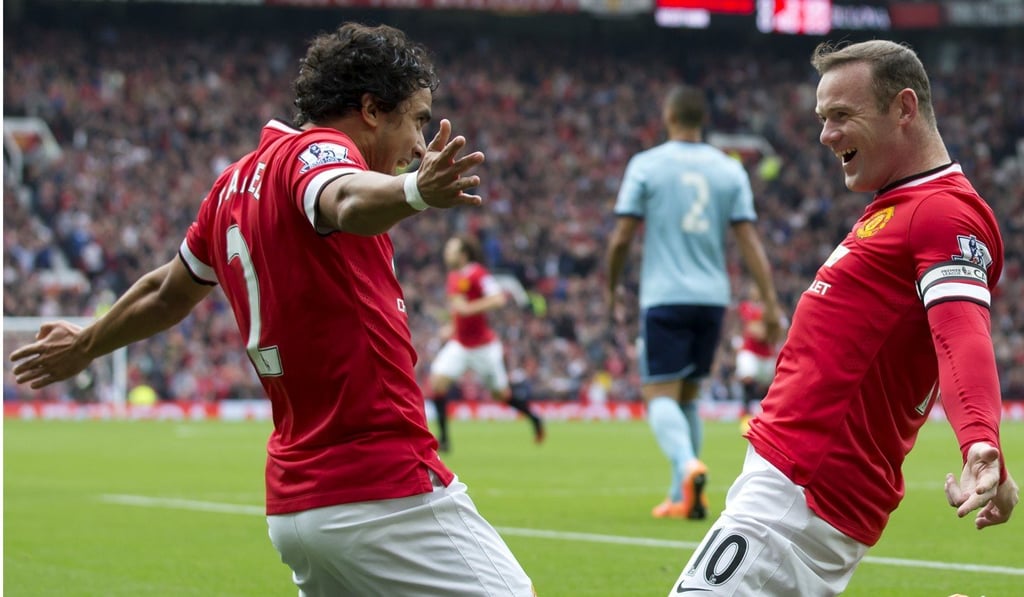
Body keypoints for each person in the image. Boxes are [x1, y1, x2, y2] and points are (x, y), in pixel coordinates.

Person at [10, 22, 535, 597]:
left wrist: (85, 346)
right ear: (370, 110)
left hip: (297, 504)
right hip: (382, 490)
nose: (419, 143)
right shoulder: (318, 153)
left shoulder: (231, 185)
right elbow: (344, 199)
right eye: (416, 119)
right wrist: (414, 192)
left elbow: (167, 292)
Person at [670, 40, 1019, 596]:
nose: (825, 135)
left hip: (803, 487)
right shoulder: (901, 208)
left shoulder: (940, 212)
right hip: (799, 481)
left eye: (841, 115)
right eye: (821, 118)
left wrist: (980, 441)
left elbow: (961, 331)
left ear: (904, 108)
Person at [605, 84, 783, 521]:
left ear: (668, 117)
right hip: (711, 298)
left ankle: (687, 467)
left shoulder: (646, 165)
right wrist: (771, 301)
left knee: (658, 395)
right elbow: (748, 241)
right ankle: (683, 495)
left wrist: (611, 287)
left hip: (665, 295)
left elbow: (623, 237)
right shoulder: (729, 170)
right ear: (702, 121)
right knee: (687, 396)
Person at [429, 234, 544, 453]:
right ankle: (444, 440)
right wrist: (453, 326)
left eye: (451, 249)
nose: (447, 253)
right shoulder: (454, 276)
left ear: (463, 255)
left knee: (502, 395)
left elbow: (498, 298)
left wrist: (467, 309)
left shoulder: (477, 273)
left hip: (483, 347)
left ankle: (534, 417)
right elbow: (458, 311)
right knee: (437, 383)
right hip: (460, 344)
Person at [733, 284, 781, 435]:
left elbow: (775, 332)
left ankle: (767, 418)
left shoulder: (773, 310)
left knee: (769, 388)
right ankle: (745, 417)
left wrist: (764, 332)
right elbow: (749, 329)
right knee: (747, 377)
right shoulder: (746, 307)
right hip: (750, 351)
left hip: (766, 355)